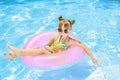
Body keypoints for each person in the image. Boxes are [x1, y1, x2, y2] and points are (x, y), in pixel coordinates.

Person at [4, 16, 99, 65]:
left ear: (69, 31)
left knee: (40, 50)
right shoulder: (55, 36)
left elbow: (84, 47)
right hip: (52, 52)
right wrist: (49, 48)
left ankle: (19, 52)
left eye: (65, 31)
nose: (62, 32)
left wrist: (93, 58)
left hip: (61, 57)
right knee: (38, 48)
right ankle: (14, 56)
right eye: (60, 30)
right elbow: (46, 45)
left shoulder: (70, 41)